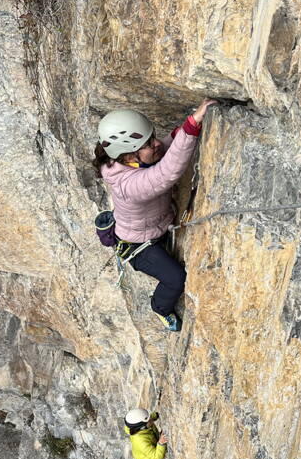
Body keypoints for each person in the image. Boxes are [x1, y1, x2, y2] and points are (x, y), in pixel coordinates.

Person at [93, 99, 217, 331]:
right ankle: (160, 307)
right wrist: (191, 128)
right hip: (140, 246)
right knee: (175, 278)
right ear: (129, 156)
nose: (157, 143)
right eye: (148, 143)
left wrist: (184, 129)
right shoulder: (129, 186)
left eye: (152, 136)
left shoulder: (130, 161)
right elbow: (165, 173)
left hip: (153, 227)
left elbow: (165, 149)